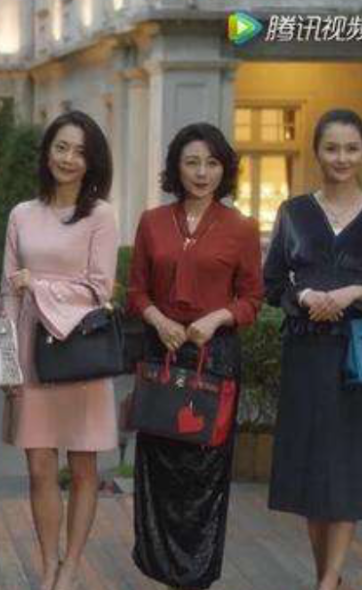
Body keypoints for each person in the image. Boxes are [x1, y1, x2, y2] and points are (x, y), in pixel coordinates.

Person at [264, 109, 362, 590]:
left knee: (345, 471)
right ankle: (327, 578)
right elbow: (272, 282)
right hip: (305, 354)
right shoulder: (293, 213)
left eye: (351, 148)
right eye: (332, 148)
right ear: (317, 152)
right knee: (313, 475)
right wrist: (306, 295)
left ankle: (327, 582)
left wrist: (354, 293)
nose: (341, 158)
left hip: (360, 359)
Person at [127, 122, 263, 590]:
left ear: (224, 169)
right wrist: (158, 319)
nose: (202, 172)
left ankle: (196, 576)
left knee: (204, 473)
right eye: (192, 162)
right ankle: (163, 571)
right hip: (162, 352)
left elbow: (253, 299)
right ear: (176, 168)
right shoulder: (152, 221)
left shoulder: (241, 227)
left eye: (211, 163)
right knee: (160, 470)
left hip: (215, 357)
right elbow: (136, 291)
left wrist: (218, 317)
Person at [0, 110, 119, 590]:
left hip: (81, 352)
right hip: (31, 351)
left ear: (92, 161)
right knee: (39, 466)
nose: (68, 158)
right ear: (47, 151)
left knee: (83, 466)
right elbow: (8, 290)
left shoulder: (101, 215)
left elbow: (100, 289)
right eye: (61, 147)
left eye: (80, 152)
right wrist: (6, 358)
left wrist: (40, 286)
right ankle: (49, 563)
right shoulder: (21, 214)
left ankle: (71, 566)